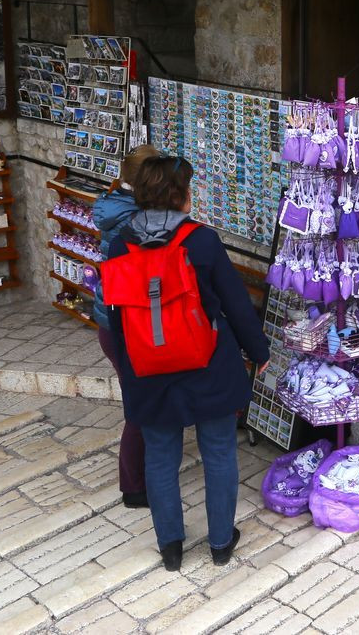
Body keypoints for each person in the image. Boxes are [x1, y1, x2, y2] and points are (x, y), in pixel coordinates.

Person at [105, 155, 270, 571]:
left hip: (149, 369)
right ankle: (220, 542)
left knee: (160, 457)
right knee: (219, 452)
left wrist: (130, 368)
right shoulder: (202, 241)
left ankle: (171, 547)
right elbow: (236, 304)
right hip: (207, 363)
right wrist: (259, 351)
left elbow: (117, 317)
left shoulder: (119, 245)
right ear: (179, 196)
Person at [92, 145, 162, 509]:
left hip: (113, 320)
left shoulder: (115, 206)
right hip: (124, 323)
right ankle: (134, 485)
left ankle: (143, 473)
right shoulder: (132, 221)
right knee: (141, 404)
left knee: (142, 399)